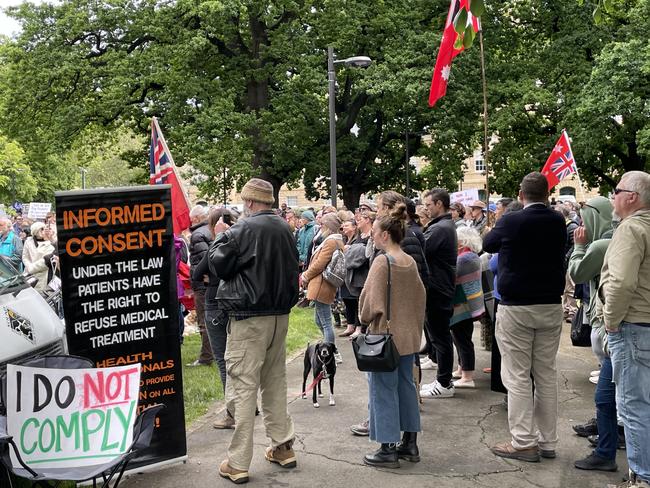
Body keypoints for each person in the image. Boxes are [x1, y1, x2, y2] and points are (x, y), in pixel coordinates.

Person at [209, 178, 299, 484]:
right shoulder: (284, 227)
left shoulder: (243, 229)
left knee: (244, 386)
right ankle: (283, 446)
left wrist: (220, 238)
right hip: (279, 315)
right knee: (275, 381)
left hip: (250, 318)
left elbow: (219, 266)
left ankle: (237, 462)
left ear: (249, 202)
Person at [483, 172, 566, 463]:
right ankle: (548, 441)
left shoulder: (512, 220)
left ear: (521, 195)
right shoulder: (558, 220)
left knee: (517, 375)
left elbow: (489, 243)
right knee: (545, 374)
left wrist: (501, 220)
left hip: (517, 305)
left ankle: (523, 441)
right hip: (549, 304)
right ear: (547, 194)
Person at [359, 203, 426, 468]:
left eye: (374, 231)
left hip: (385, 339)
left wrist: (365, 318)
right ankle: (410, 443)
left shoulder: (381, 261)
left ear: (385, 234)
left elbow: (368, 305)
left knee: (383, 390)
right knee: (407, 388)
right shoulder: (409, 261)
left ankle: (387, 448)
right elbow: (420, 296)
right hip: (408, 336)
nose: (372, 235)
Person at [600, 171, 650, 488]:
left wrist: (610, 320)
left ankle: (641, 477)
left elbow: (620, 282)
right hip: (641, 323)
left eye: (616, 191)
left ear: (631, 196)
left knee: (634, 408)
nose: (613, 197)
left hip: (632, 325)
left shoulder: (631, 228)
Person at [566, 197, 618, 472]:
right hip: (616, 325)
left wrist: (579, 246)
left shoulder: (600, 244)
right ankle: (607, 445)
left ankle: (610, 449)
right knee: (610, 394)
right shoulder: (618, 237)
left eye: (585, 218)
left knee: (610, 395)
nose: (581, 225)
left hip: (615, 326)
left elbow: (577, 271)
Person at [193, 207, 237, 430]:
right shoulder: (241, 243)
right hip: (237, 303)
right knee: (238, 358)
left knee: (223, 360)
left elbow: (197, 272)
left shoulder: (217, 245)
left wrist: (219, 238)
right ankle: (247, 405)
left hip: (216, 303)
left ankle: (232, 412)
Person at [420, 188, 458, 399]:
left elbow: (422, 250)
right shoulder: (442, 226)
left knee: (441, 337)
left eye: (428, 205)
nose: (426, 209)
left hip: (438, 289)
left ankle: (444, 382)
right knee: (438, 336)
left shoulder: (440, 228)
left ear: (439, 204)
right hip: (438, 287)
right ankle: (442, 380)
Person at [301, 213, 344, 363]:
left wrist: (305, 275)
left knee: (325, 322)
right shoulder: (335, 240)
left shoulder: (331, 241)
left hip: (322, 285)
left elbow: (319, 264)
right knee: (320, 321)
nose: (321, 227)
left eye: (324, 225)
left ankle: (332, 353)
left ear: (329, 227)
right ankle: (332, 349)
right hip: (322, 285)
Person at [449, 227, 484, 388]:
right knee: (460, 338)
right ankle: (461, 368)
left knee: (462, 339)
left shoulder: (465, 258)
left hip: (464, 305)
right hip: (467, 303)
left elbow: (452, 275)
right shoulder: (470, 256)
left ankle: (467, 376)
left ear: (462, 241)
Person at [187, 204, 215, 367]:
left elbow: (204, 261)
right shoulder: (210, 230)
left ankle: (206, 358)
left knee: (204, 321)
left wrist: (200, 280)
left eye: (191, 219)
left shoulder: (197, 234)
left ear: (196, 218)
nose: (190, 221)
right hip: (211, 283)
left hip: (204, 285)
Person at [557, 203, 580, 322]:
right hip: (565, 261)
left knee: (571, 288)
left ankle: (572, 311)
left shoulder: (571, 226)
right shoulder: (563, 225)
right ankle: (566, 309)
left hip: (570, 261)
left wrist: (566, 257)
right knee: (566, 288)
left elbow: (575, 245)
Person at [22, 222, 56, 292]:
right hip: (28, 274)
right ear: (35, 230)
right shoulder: (28, 241)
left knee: (40, 296)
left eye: (45, 229)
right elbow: (25, 257)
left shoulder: (50, 244)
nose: (45, 231)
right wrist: (29, 266)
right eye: (42, 229)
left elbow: (46, 261)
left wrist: (31, 268)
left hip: (42, 275)